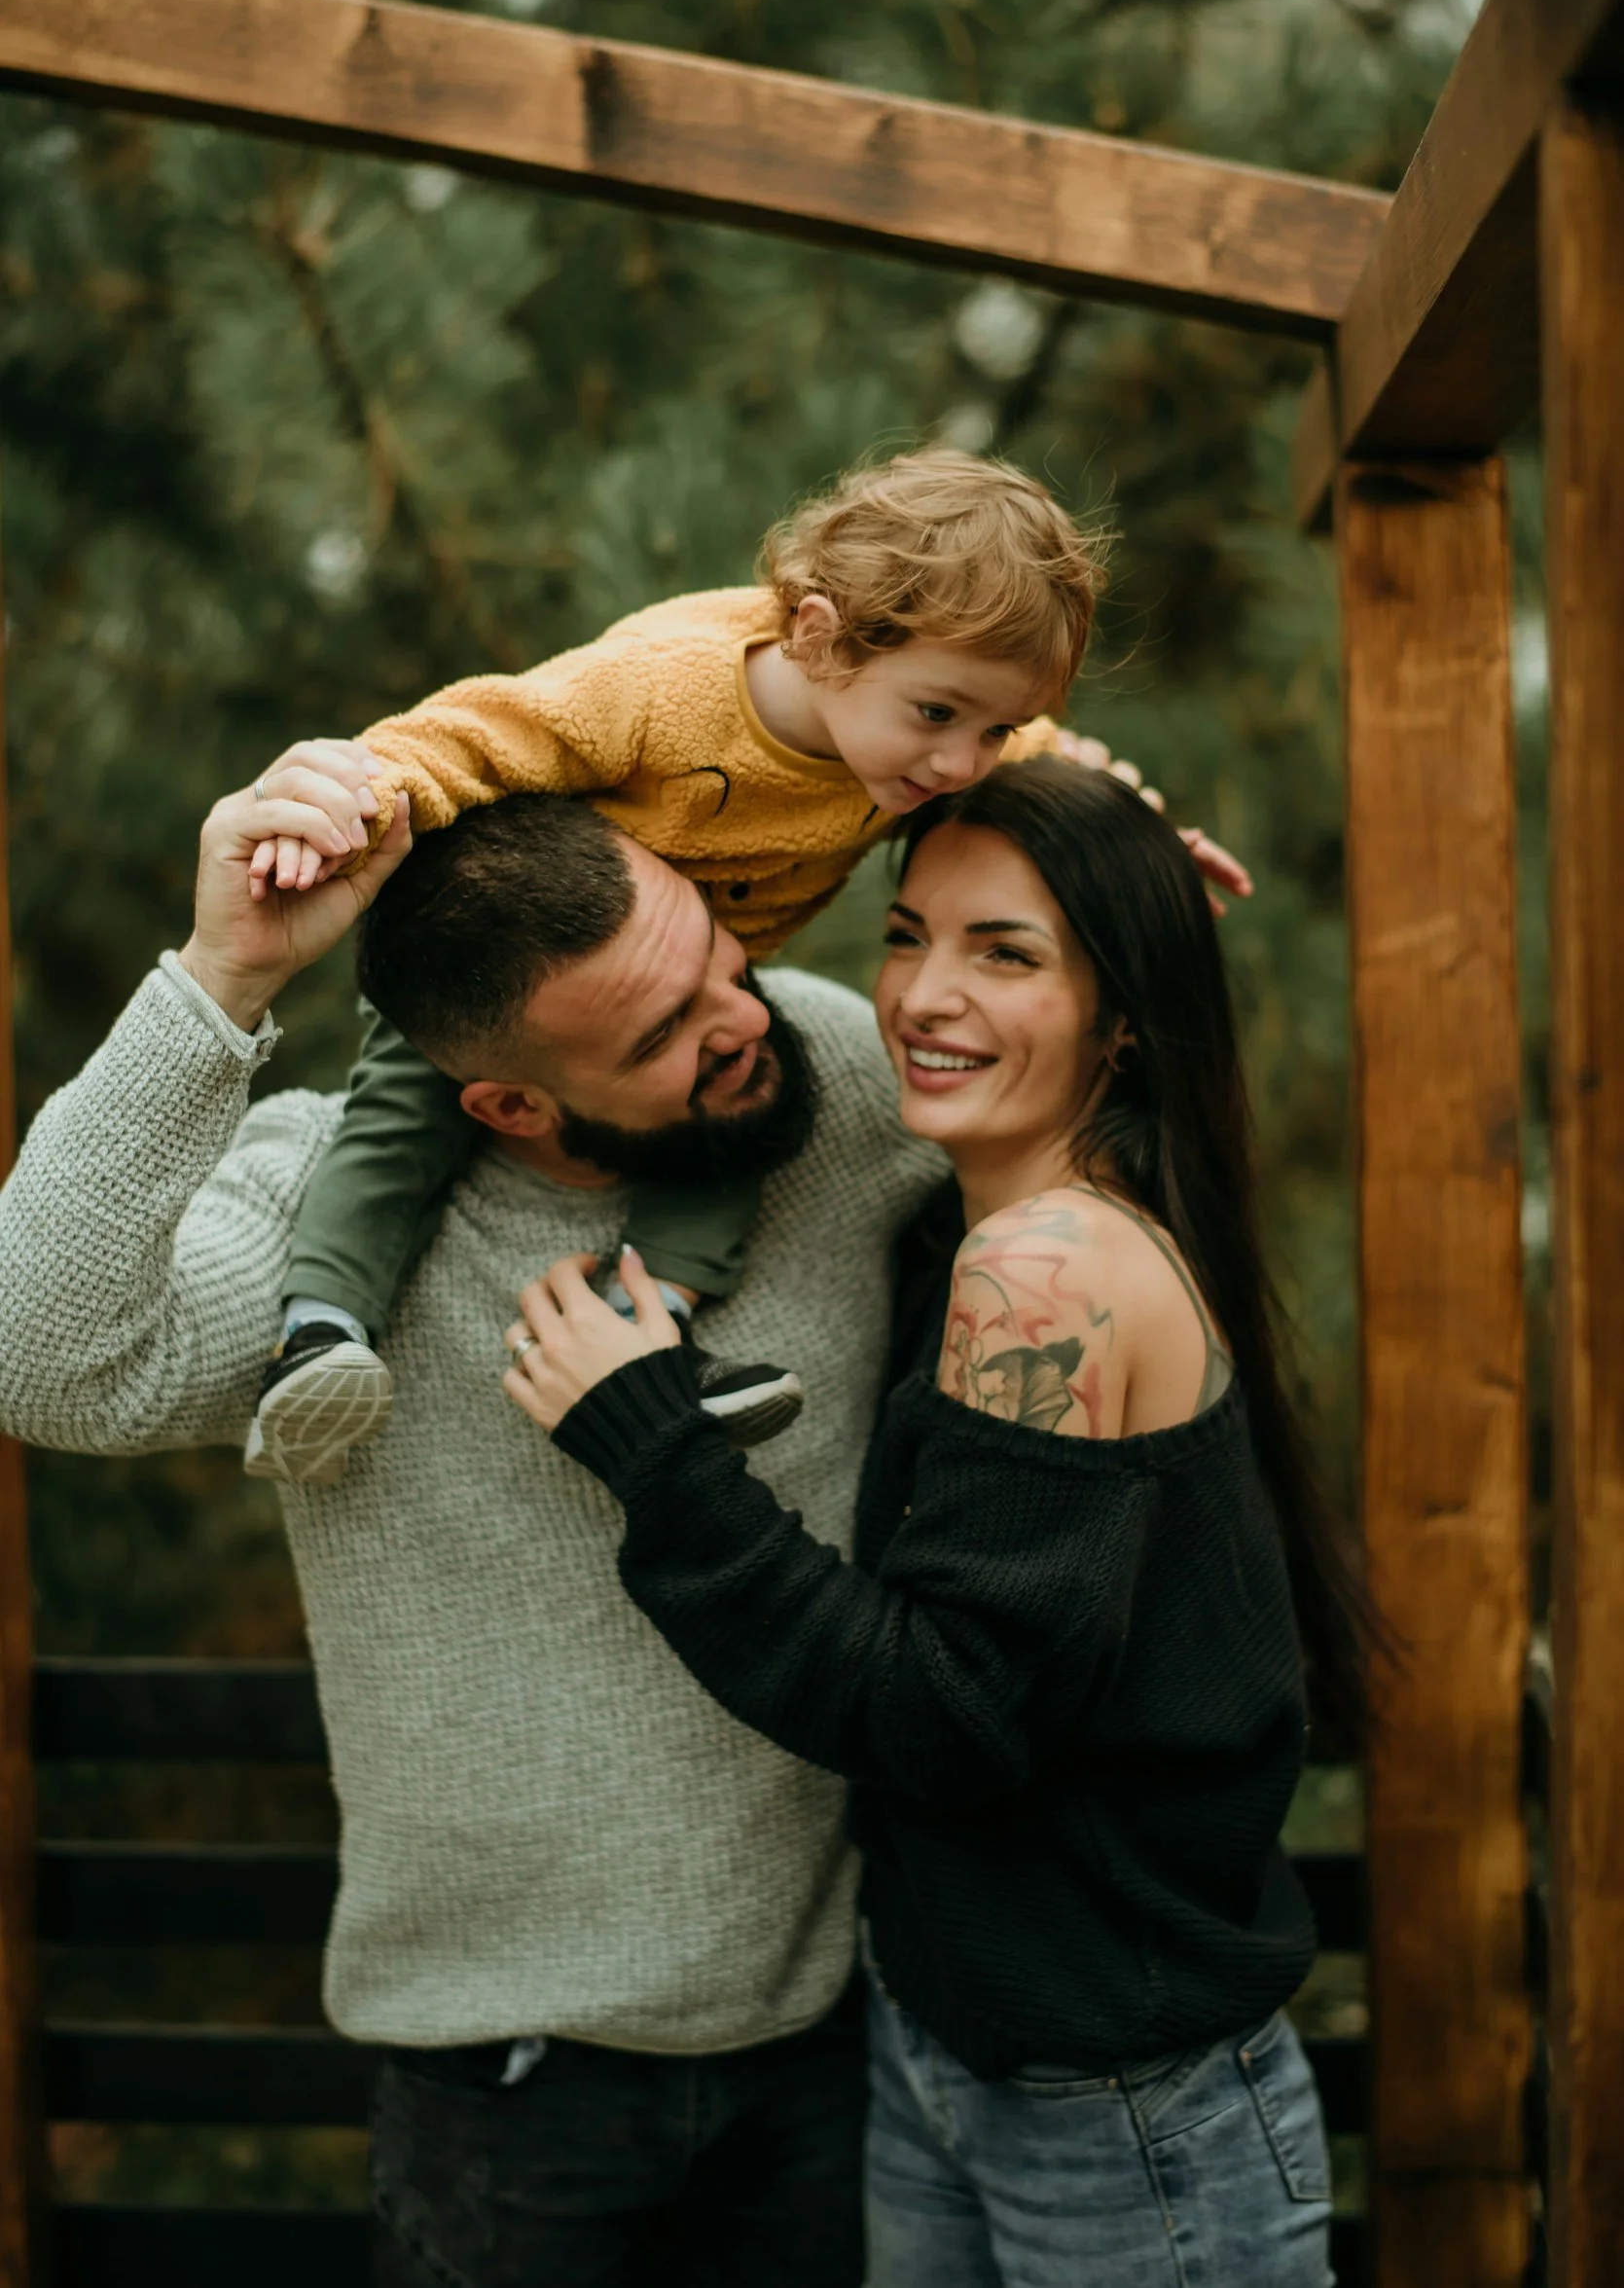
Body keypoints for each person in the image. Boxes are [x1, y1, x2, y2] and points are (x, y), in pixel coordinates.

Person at [0, 745, 954, 2286]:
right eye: (663, 1035)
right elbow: (38, 1355)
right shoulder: (325, 1207)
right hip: (503, 2098)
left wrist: (1067, 823)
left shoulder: (818, 1073)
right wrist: (220, 975)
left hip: (831, 2055)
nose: (736, 1024)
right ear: (507, 1100)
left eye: (722, 960)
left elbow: (1083, 1083)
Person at [502, 756, 1370, 2288]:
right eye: (908, 936)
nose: (920, 996)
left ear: (1123, 1018)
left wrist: (651, 1445)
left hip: (1121, 2114)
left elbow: (943, 1709)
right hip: (949, 2052)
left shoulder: (1050, 1271)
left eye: (1006, 952)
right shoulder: (982, 1229)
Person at [249, 449, 1242, 1484]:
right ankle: (319, 1334)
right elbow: (481, 732)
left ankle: (652, 1326)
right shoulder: (660, 690)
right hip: (521, 968)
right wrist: (351, 807)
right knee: (399, 1119)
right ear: (817, 634)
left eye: (988, 730)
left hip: (711, 980)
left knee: (732, 1133)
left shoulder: (919, 728)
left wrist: (1144, 843)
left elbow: (1047, 752)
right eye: (939, 716)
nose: (959, 765)